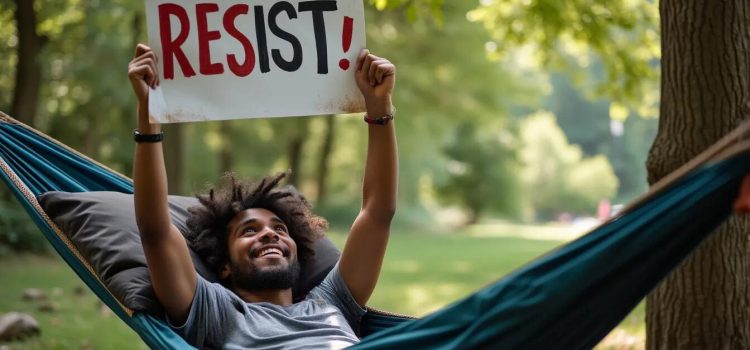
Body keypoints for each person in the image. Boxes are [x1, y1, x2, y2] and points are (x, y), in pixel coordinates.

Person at [128, 43, 397, 349]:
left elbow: (377, 214)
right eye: (250, 231)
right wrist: (149, 115)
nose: (270, 234)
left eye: (279, 229)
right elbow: (155, 232)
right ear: (225, 265)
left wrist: (380, 109)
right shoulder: (216, 312)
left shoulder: (331, 302)